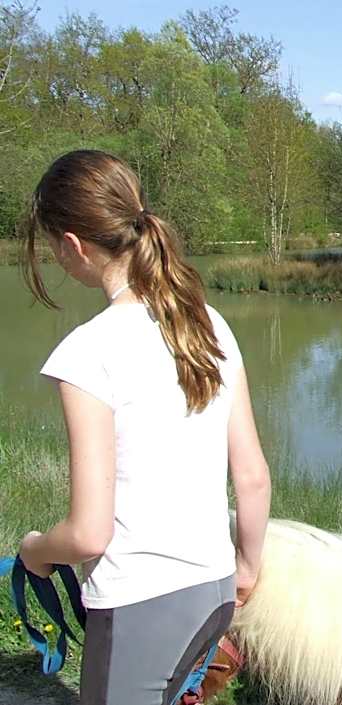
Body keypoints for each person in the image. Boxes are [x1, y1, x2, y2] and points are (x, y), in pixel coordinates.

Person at [17, 150, 272, 705]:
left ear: (72, 246)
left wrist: (35, 550)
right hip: (213, 590)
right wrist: (246, 567)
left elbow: (88, 534)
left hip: (141, 602)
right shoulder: (208, 324)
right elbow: (252, 476)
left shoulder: (88, 351)